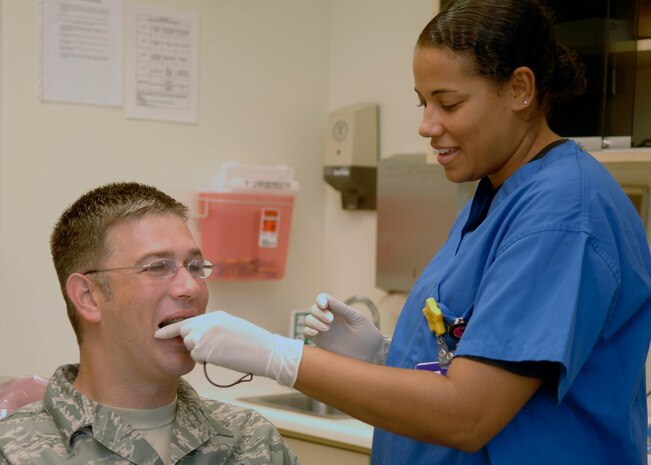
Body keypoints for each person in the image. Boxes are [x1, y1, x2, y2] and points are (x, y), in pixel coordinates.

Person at [154, 0, 651, 463]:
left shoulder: (562, 213)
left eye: (449, 103)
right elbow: (470, 355)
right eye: (422, 103)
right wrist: (385, 356)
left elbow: (468, 413)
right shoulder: (497, 194)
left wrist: (277, 357)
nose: (427, 125)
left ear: (520, 89)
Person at [0, 182, 299, 465]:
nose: (191, 287)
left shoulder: (252, 440)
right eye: (157, 267)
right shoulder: (15, 452)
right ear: (88, 297)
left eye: (195, 267)